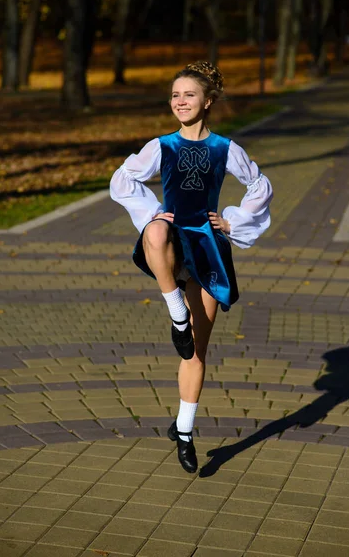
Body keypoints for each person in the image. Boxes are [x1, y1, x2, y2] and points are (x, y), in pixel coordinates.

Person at [110, 61, 273, 473]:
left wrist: (232, 220)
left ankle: (183, 430)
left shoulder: (225, 148)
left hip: (206, 244)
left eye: (189, 94)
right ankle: (175, 311)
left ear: (208, 101)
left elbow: (259, 184)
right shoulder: (160, 145)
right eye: (174, 95)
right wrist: (153, 211)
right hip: (169, 241)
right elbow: (123, 181)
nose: (180, 101)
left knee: (197, 350)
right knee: (155, 231)